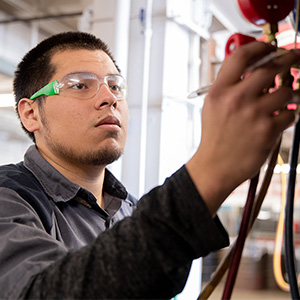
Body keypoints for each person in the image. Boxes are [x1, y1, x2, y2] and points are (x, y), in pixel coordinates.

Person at [0, 31, 299, 299]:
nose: (109, 98)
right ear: (30, 114)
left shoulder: (129, 208)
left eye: (116, 86)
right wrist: (207, 175)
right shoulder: (10, 198)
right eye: (79, 85)